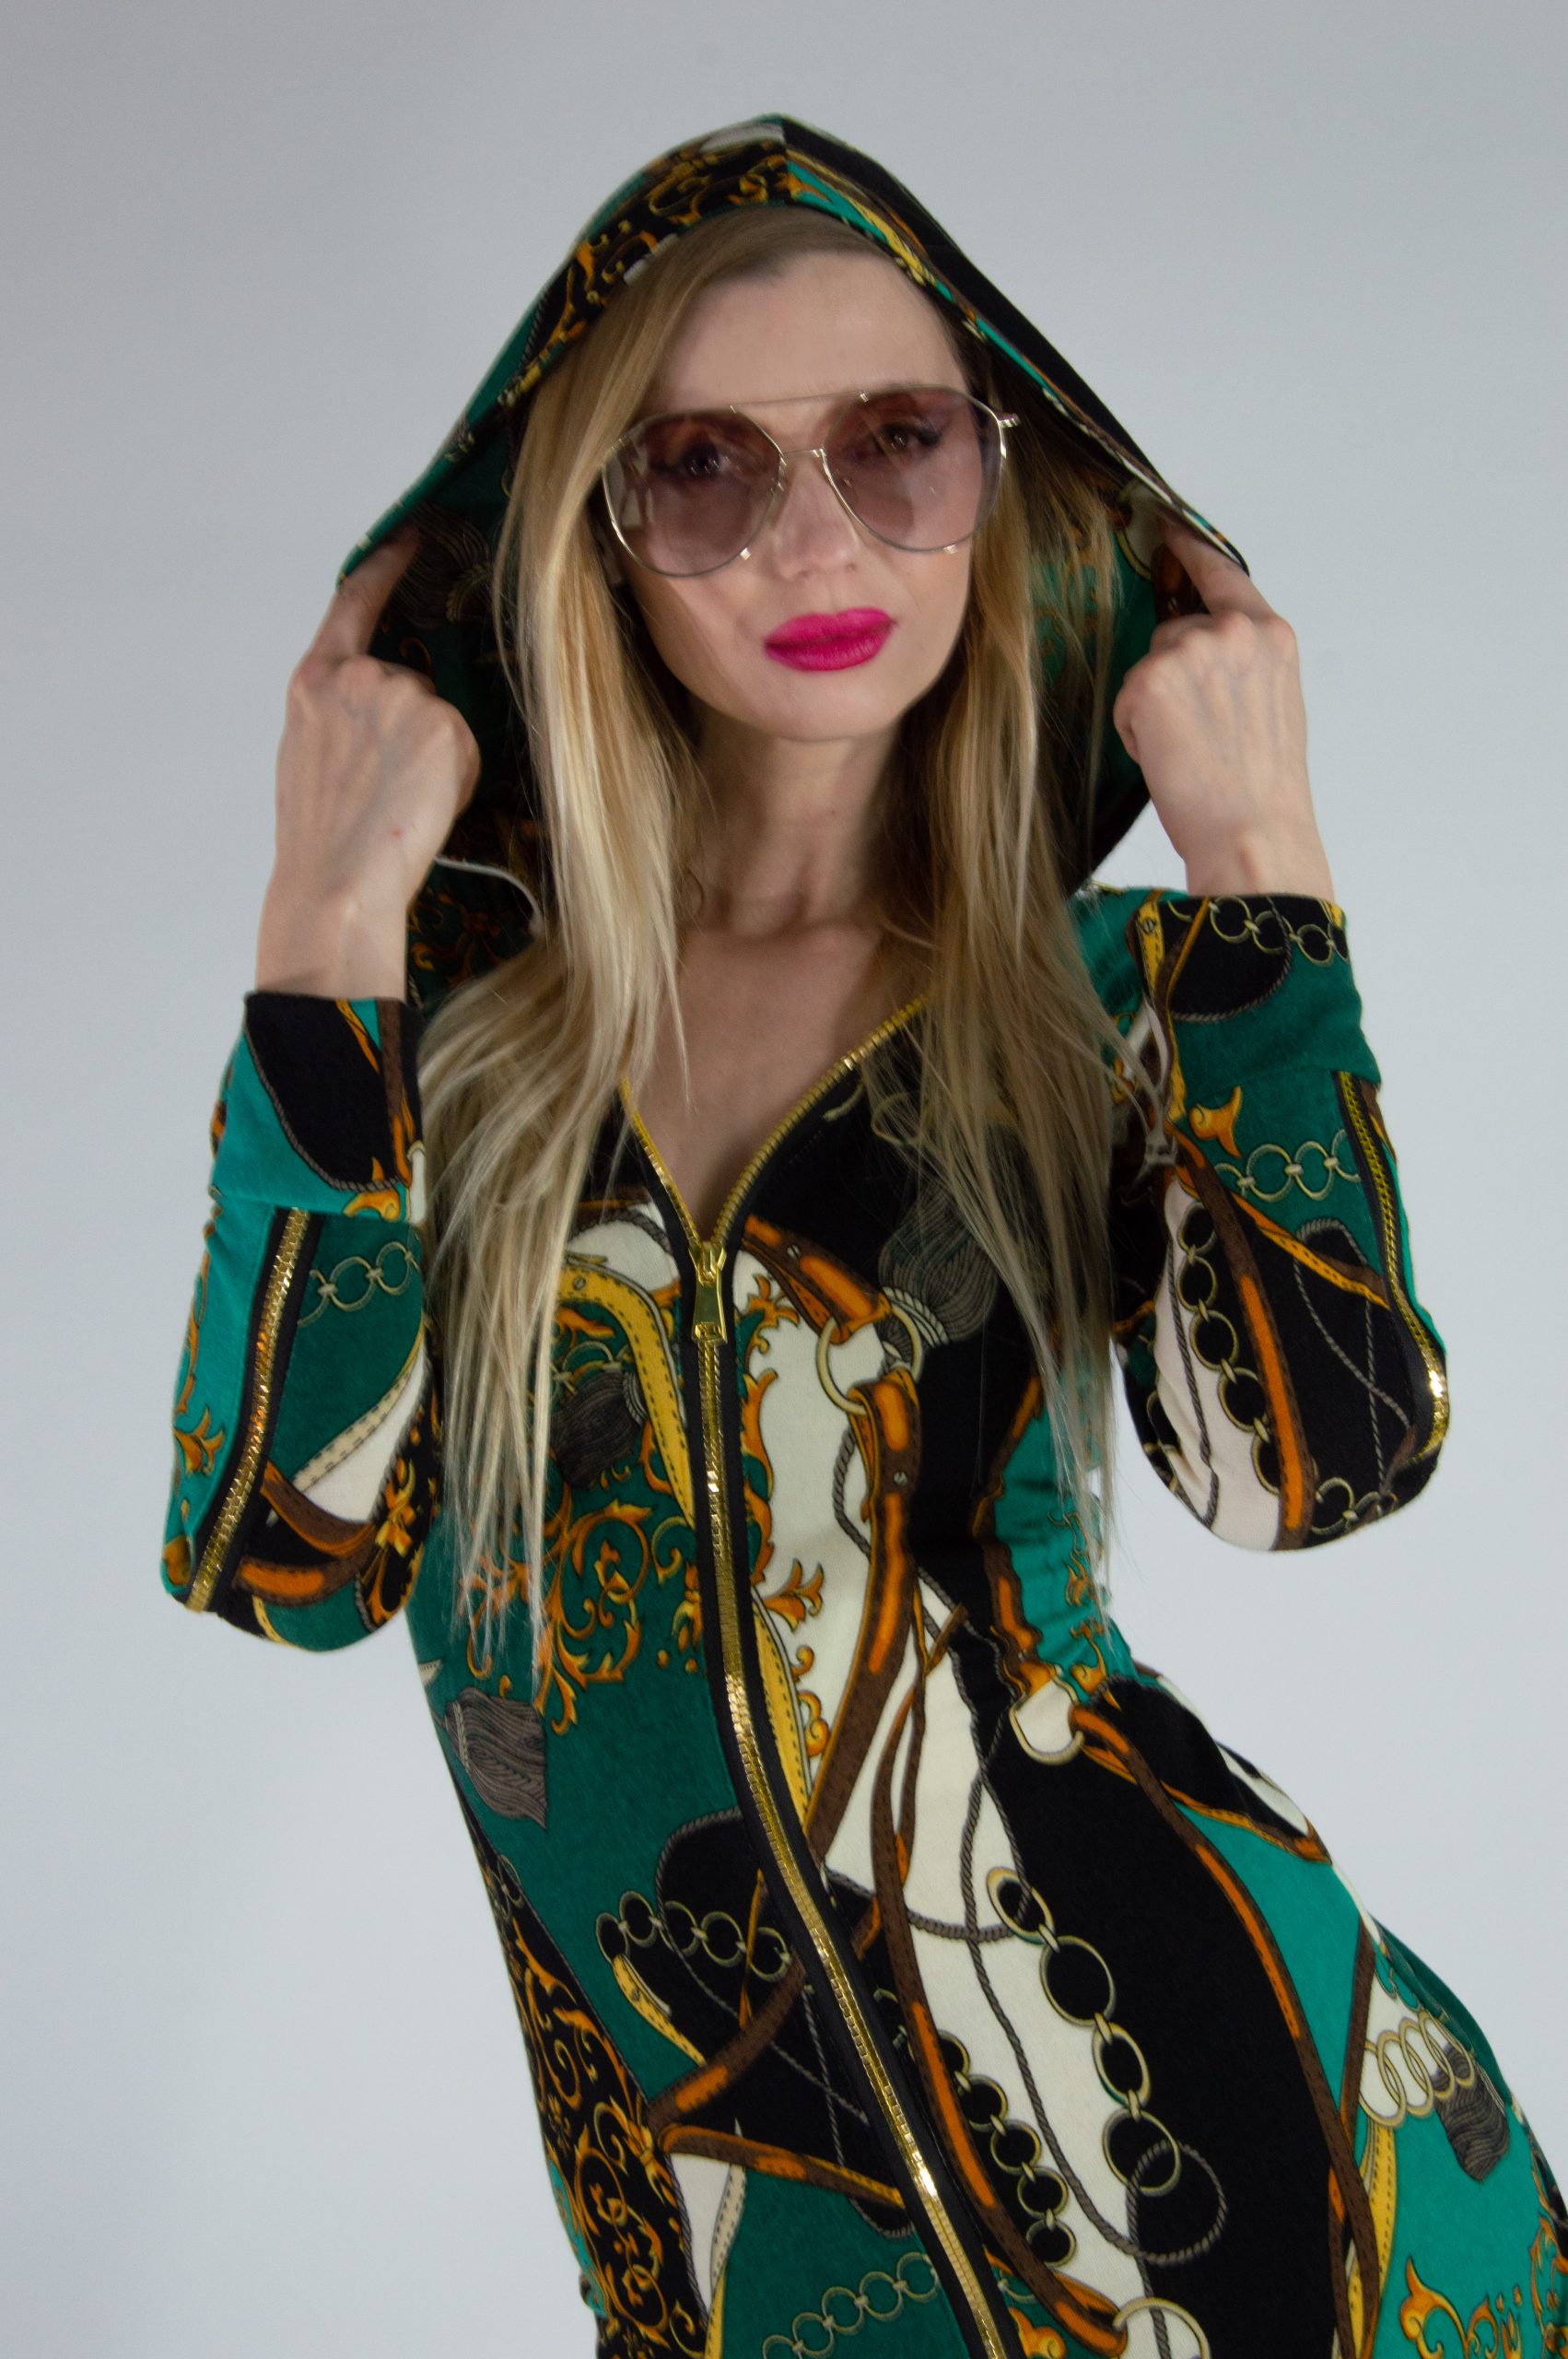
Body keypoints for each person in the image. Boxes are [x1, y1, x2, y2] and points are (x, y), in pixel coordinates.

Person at [160, 115, 1565, 2359]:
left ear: (990, 478)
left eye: (896, 441)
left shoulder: (1099, 1004)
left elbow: (1311, 1467)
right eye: (703, 466)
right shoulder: (459, 1057)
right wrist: (322, 918)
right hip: (756, 2238)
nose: (815, 536)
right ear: (597, 534)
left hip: (1235, 2191)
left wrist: (1261, 866)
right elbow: (278, 1553)